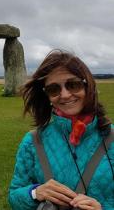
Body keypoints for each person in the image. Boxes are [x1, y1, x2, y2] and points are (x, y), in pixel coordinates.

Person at [8, 50, 113, 210]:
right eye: (53, 89)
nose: (64, 95)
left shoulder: (111, 138)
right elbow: (14, 195)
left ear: (88, 86)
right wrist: (35, 192)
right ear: (47, 97)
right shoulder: (33, 142)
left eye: (73, 85)